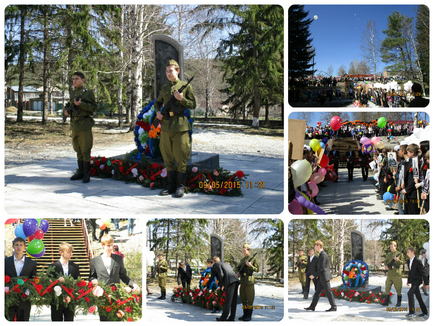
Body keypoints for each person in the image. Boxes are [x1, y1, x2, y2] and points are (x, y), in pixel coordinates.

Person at [155, 60, 197, 198]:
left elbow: (193, 105)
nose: (168, 74)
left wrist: (182, 99)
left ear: (177, 71)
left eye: (171, 71)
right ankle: (170, 185)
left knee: (181, 157)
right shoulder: (164, 88)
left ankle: (180, 186)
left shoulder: (185, 86)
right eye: (166, 71)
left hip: (180, 126)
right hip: (166, 126)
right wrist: (158, 113)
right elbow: (157, 102)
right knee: (167, 157)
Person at [89, 235, 140, 320]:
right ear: (102, 245)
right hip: (102, 296)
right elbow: (91, 277)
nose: (110, 247)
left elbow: (123, 276)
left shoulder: (118, 259)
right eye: (108, 245)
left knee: (117, 319)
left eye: (112, 245)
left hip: (116, 295)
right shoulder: (94, 261)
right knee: (104, 319)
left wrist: (133, 284)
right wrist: (94, 280)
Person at [64, 72, 97, 183]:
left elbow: (93, 108)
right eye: (73, 79)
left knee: (85, 149)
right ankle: (80, 172)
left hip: (84, 124)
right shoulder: (73, 93)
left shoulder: (88, 93)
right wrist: (65, 112)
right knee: (77, 149)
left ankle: (87, 174)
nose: (74, 81)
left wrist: (81, 104)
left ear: (83, 80)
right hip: (74, 125)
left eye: (77, 79)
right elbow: (69, 105)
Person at [5, 237, 38, 321]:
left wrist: (30, 290)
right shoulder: (5, 261)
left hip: (24, 299)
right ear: (13, 246)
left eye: (21, 245)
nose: (18, 247)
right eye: (16, 245)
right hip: (9, 299)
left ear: (24, 247)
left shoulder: (31, 263)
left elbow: (34, 280)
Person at [48, 242, 80, 321]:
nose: (70, 254)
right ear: (61, 252)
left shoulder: (75, 266)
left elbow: (78, 280)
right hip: (56, 301)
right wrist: (57, 281)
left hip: (70, 300)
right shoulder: (52, 266)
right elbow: (48, 281)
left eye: (71, 252)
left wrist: (76, 282)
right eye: (68, 252)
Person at [304, 240, 337, 312]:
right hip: (321, 277)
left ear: (318, 246)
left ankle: (334, 307)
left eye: (315, 246)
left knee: (328, 292)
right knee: (317, 292)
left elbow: (322, 268)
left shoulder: (323, 255)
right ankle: (312, 306)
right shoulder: (321, 254)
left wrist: (314, 275)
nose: (314, 248)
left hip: (324, 277)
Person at [204, 257, 240, 321]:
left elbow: (221, 274)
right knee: (233, 300)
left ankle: (223, 318)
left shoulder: (216, 265)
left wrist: (223, 285)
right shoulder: (225, 264)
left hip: (229, 282)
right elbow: (214, 276)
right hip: (235, 280)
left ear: (214, 262)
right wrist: (208, 286)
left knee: (228, 300)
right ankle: (232, 317)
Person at [236, 244, 259, 321]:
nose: (243, 252)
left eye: (244, 250)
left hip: (249, 281)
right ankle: (244, 314)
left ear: (249, 250)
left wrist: (250, 266)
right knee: (243, 299)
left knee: (249, 300)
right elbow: (238, 267)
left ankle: (249, 315)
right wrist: (238, 273)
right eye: (242, 250)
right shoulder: (242, 260)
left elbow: (257, 269)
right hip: (242, 281)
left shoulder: (253, 259)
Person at [405, 247, 429, 318]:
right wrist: (408, 281)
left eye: (408, 252)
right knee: (418, 297)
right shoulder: (408, 261)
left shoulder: (418, 261)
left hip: (417, 281)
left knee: (410, 293)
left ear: (413, 252)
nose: (407, 254)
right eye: (407, 252)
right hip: (413, 281)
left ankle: (412, 312)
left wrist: (426, 283)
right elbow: (410, 272)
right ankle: (425, 312)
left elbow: (423, 273)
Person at [381, 241, 405, 307]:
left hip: (397, 273)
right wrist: (386, 266)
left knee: (398, 288)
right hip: (390, 273)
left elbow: (403, 262)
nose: (391, 248)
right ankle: (386, 301)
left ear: (395, 246)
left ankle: (399, 301)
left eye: (392, 246)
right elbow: (385, 261)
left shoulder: (399, 254)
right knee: (387, 287)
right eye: (390, 246)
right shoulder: (389, 254)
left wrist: (398, 260)